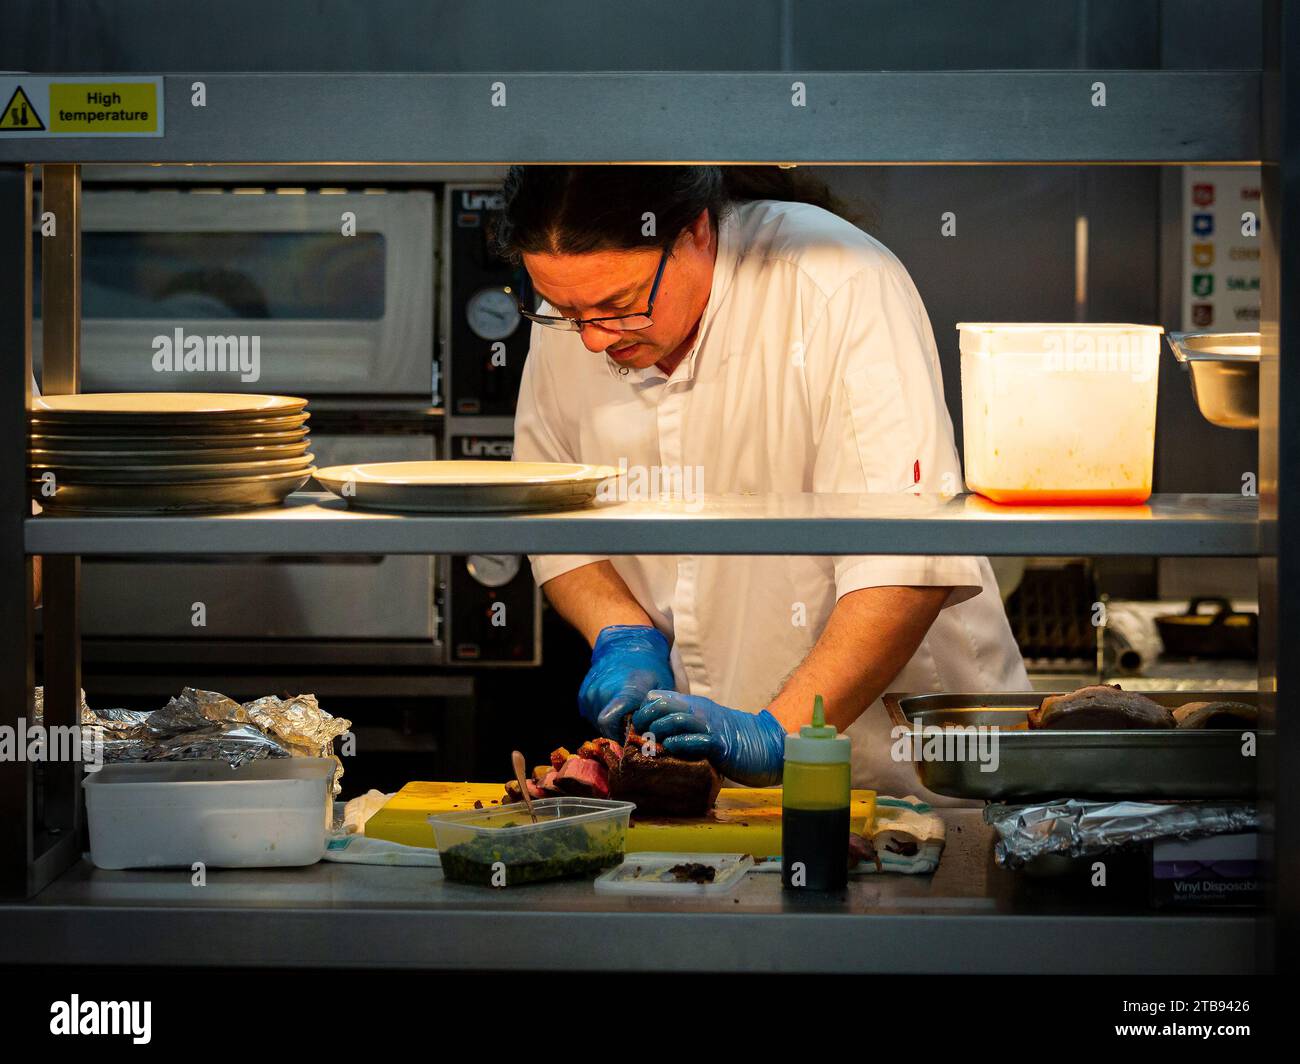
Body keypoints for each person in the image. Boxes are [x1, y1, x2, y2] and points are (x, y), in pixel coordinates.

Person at [501, 166, 1028, 802]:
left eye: (621, 306)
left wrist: (780, 735)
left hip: (908, 773)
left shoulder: (836, 280)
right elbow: (554, 515)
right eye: (564, 311)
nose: (591, 339)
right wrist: (620, 631)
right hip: (718, 790)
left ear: (696, 232)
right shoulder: (583, 305)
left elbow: (906, 559)